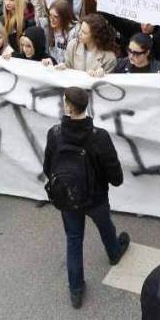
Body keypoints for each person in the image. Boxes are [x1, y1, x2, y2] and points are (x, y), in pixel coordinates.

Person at [42, 86, 129, 308]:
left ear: (68, 108)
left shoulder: (55, 133)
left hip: (67, 199)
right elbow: (115, 175)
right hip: (96, 197)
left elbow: (47, 167)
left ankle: (76, 290)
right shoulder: (99, 137)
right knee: (105, 225)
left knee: (73, 240)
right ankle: (114, 252)